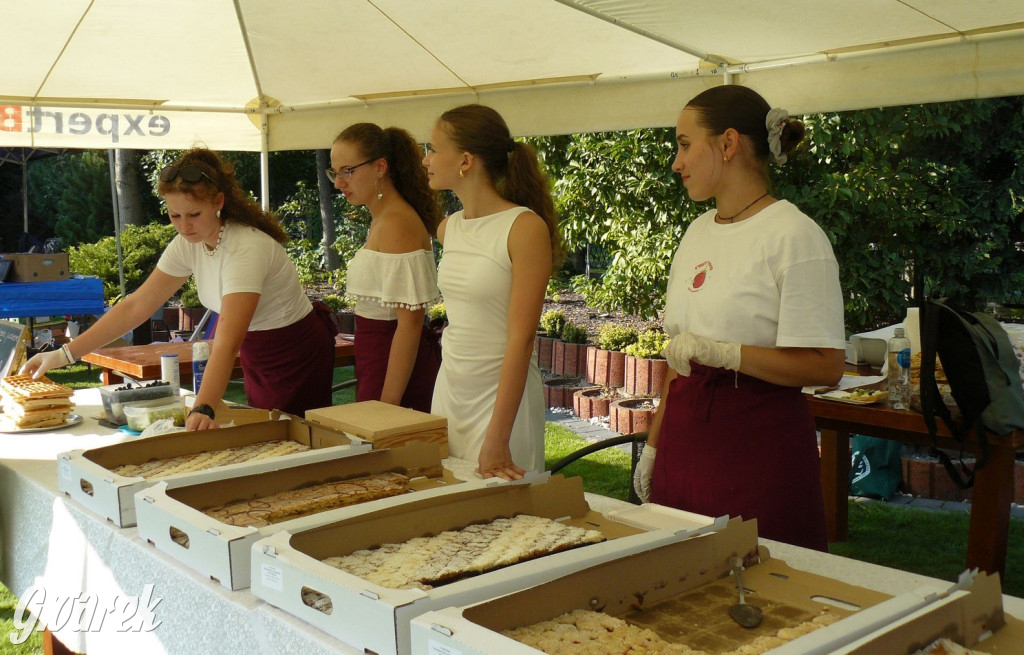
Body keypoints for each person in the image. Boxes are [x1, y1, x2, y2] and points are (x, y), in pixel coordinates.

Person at [633, 85, 846, 550]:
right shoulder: (695, 233)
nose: (676, 161)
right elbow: (678, 359)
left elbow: (826, 365)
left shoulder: (795, 237)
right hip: (685, 441)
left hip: (756, 449)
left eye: (685, 145)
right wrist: (654, 445)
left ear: (728, 144)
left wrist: (726, 354)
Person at [21, 147, 338, 429]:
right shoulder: (189, 243)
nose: (184, 225)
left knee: (296, 439)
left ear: (218, 202)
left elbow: (226, 341)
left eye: (194, 214)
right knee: (267, 436)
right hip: (256, 349)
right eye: (175, 215)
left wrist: (205, 405)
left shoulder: (246, 248)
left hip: (296, 351)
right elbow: (136, 305)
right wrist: (64, 354)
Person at [423, 104, 562, 480]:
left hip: (501, 400)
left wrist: (498, 436)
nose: (426, 160)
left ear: (466, 160)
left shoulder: (523, 228)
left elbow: (521, 338)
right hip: (451, 389)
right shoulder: (449, 228)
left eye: (433, 148)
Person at [330, 123, 442, 412]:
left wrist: (388, 406)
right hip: (376, 357)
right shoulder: (384, 218)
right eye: (335, 172)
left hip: (394, 366)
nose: (338, 183)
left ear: (380, 167)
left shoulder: (396, 223)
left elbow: (410, 324)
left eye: (348, 171)